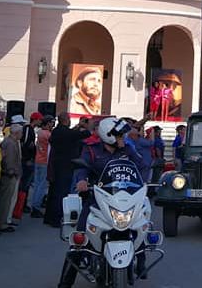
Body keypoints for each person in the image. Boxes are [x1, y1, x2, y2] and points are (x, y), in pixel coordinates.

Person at [58, 117, 144, 288]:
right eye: (120, 135)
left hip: (123, 200)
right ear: (109, 135)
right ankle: (65, 282)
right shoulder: (90, 150)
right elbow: (82, 168)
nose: (123, 137)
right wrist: (82, 181)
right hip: (97, 199)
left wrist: (126, 148)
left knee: (142, 226)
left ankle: (141, 261)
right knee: (79, 239)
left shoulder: (126, 149)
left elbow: (141, 165)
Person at [43, 114, 90, 227]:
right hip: (64, 166)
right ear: (66, 120)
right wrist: (87, 127)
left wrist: (78, 125)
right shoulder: (65, 133)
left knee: (53, 192)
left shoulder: (57, 131)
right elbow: (82, 134)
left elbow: (71, 133)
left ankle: (49, 217)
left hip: (57, 164)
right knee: (61, 192)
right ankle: (56, 218)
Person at [0, 118, 23, 233]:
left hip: (8, 174)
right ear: (16, 133)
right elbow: (9, 160)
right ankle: (2, 222)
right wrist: (12, 172)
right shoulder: (11, 143)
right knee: (6, 199)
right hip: (10, 175)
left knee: (6, 199)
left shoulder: (9, 141)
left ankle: (3, 220)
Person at [29, 113, 53, 218]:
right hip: (44, 161)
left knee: (37, 184)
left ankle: (34, 204)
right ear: (48, 123)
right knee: (41, 186)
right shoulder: (48, 134)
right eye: (51, 123)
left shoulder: (39, 132)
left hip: (38, 159)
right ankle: (36, 206)